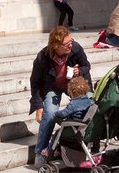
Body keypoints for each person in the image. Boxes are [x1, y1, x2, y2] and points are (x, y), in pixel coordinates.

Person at [27, 24, 92, 166]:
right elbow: (35, 82)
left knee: (90, 107)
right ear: (56, 45)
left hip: (75, 84)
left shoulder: (76, 48)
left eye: (71, 41)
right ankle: (41, 152)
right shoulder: (43, 57)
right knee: (49, 114)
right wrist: (38, 106)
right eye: (66, 44)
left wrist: (78, 71)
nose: (70, 45)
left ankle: (89, 146)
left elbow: (86, 66)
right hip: (53, 87)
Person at [35, 74, 94, 161]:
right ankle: (59, 150)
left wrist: (55, 113)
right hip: (85, 127)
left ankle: (49, 150)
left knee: (58, 133)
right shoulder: (89, 101)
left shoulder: (74, 103)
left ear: (71, 92)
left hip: (75, 127)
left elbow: (64, 113)